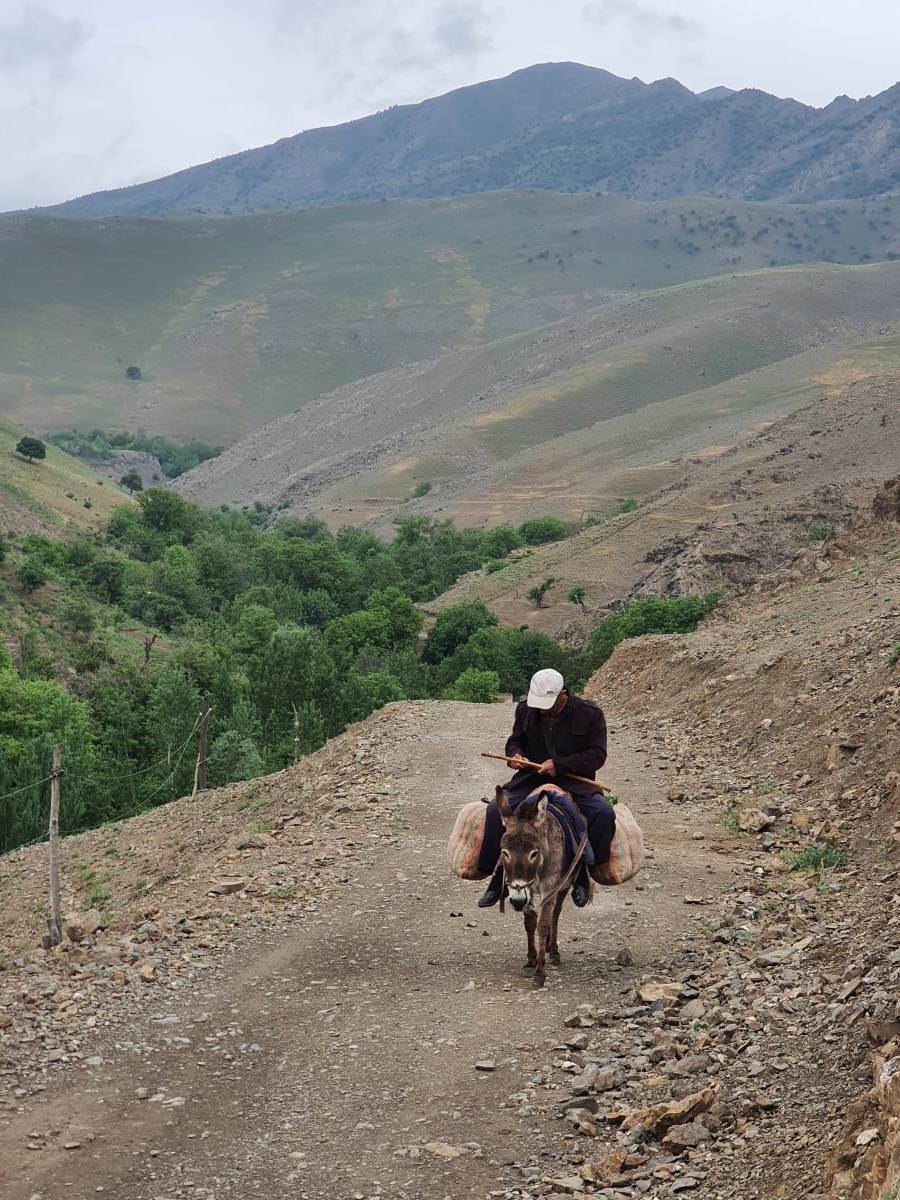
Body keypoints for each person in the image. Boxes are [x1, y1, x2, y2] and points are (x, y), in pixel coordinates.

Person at [476, 668, 614, 909]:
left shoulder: (590, 713)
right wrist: (515, 755)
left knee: (603, 814)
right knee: (493, 811)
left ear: (562, 695)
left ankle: (586, 872)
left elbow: (597, 755)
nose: (542, 709)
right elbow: (515, 740)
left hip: (574, 780)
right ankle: (495, 878)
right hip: (531, 778)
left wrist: (560, 765)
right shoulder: (525, 709)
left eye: (547, 704)